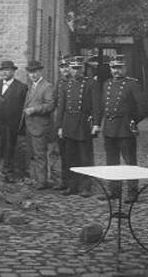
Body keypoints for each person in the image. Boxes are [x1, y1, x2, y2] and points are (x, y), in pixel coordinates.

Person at [99, 55, 146, 202]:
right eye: (114, 68)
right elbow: (103, 105)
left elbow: (143, 107)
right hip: (109, 129)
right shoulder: (106, 84)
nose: (116, 71)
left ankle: (132, 192)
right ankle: (114, 191)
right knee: (111, 162)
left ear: (125, 68)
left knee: (130, 162)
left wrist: (133, 121)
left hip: (125, 129)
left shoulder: (132, 84)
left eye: (119, 68)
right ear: (110, 69)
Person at [55, 56, 102, 196]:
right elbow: (61, 107)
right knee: (70, 157)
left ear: (83, 69)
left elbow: (96, 106)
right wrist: (59, 126)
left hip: (83, 124)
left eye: (78, 68)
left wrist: (96, 124)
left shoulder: (91, 84)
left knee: (85, 157)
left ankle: (86, 186)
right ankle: (72, 185)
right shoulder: (65, 85)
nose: (76, 71)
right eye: (73, 68)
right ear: (69, 69)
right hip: (68, 123)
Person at [0, 59, 27, 180]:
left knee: (8, 148)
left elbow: (23, 107)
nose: (5, 73)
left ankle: (8, 172)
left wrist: (19, 125)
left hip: (10, 124)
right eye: (3, 70)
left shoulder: (21, 87)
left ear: (13, 72)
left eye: (7, 70)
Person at [22, 59, 58, 190]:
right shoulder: (31, 86)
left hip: (40, 126)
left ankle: (42, 181)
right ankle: (35, 178)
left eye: (35, 72)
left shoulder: (47, 86)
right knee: (32, 154)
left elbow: (50, 105)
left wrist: (34, 109)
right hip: (30, 125)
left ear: (40, 72)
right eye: (30, 72)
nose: (32, 75)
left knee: (40, 154)